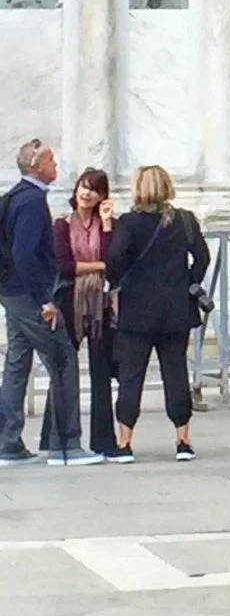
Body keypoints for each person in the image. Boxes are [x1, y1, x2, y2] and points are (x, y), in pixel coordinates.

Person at [0, 139, 103, 466]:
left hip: (12, 292)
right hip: (28, 295)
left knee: (17, 362)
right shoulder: (31, 201)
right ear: (36, 165)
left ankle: (8, 443)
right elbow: (25, 254)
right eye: (51, 160)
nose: (56, 165)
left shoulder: (15, 196)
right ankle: (65, 444)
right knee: (62, 358)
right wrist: (44, 299)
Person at [105, 165, 210, 463]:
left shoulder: (128, 223)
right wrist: (189, 281)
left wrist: (120, 281)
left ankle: (125, 442)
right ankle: (183, 441)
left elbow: (114, 261)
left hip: (137, 310)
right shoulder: (184, 220)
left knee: (131, 375)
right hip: (176, 308)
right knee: (176, 372)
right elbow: (202, 257)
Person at [40, 168, 116, 458]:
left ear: (102, 196)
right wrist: (98, 266)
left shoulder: (109, 225)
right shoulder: (62, 225)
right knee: (63, 369)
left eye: (94, 189)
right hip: (69, 301)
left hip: (101, 304)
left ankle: (103, 441)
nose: (87, 193)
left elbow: (113, 259)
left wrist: (106, 225)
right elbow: (64, 266)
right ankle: (54, 437)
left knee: (101, 371)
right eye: (84, 187)